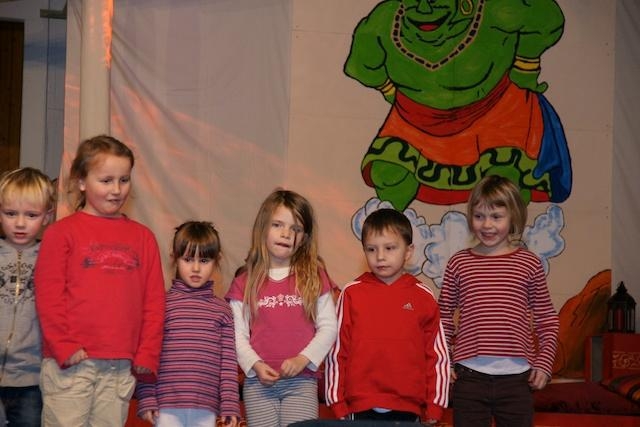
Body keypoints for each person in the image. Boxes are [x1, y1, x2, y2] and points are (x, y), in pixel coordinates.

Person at [34, 135, 166, 426]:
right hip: (70, 364)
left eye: (124, 180)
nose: (116, 190)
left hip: (120, 365)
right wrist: (64, 346)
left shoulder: (144, 237)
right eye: (106, 181)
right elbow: (48, 297)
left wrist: (147, 352)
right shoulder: (61, 233)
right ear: (81, 181)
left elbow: (154, 302)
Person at [438, 175, 560, 427]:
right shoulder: (459, 263)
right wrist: (445, 361)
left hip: (517, 379)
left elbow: (547, 320)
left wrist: (544, 363)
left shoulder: (529, 263)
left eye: (496, 216)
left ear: (513, 216)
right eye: (479, 216)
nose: (487, 225)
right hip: (468, 378)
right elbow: (442, 318)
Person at [325, 208, 450, 425]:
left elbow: (437, 356)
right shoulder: (352, 293)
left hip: (409, 407)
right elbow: (337, 351)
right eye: (371, 249)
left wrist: (435, 406)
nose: (380, 256)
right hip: (360, 406)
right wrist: (337, 402)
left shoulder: (423, 296)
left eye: (390, 248)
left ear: (408, 251)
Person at [226, 189, 337, 427]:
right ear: (263, 229)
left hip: (302, 382)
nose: (286, 234)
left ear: (304, 237)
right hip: (258, 384)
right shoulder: (244, 282)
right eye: (277, 225)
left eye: (295, 229)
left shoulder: (314, 277)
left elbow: (329, 327)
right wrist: (255, 365)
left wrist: (303, 359)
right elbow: (236, 334)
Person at [136, 221, 240, 427]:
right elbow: (147, 355)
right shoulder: (160, 305)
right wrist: (147, 396)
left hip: (206, 406)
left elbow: (228, 363)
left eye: (204, 260)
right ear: (174, 257)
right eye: (188, 259)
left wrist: (230, 404)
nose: (196, 268)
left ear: (217, 260)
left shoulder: (223, 310)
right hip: (165, 405)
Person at [0, 167, 55, 427]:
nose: (20, 223)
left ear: (47, 216)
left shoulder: (53, 256)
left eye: (31, 215)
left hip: (32, 378)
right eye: (10, 213)